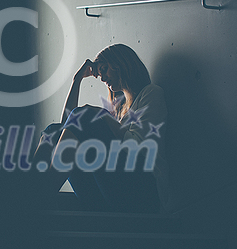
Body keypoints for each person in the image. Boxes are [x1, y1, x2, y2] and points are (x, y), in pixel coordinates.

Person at [34, 43, 170, 213]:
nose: (103, 78)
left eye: (105, 69)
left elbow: (139, 147)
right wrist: (77, 81)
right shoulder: (118, 110)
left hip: (144, 193)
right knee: (54, 131)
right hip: (111, 190)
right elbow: (65, 128)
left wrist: (102, 116)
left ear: (121, 64)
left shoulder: (150, 94)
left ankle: (41, 198)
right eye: (100, 74)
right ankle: (32, 190)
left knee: (84, 115)